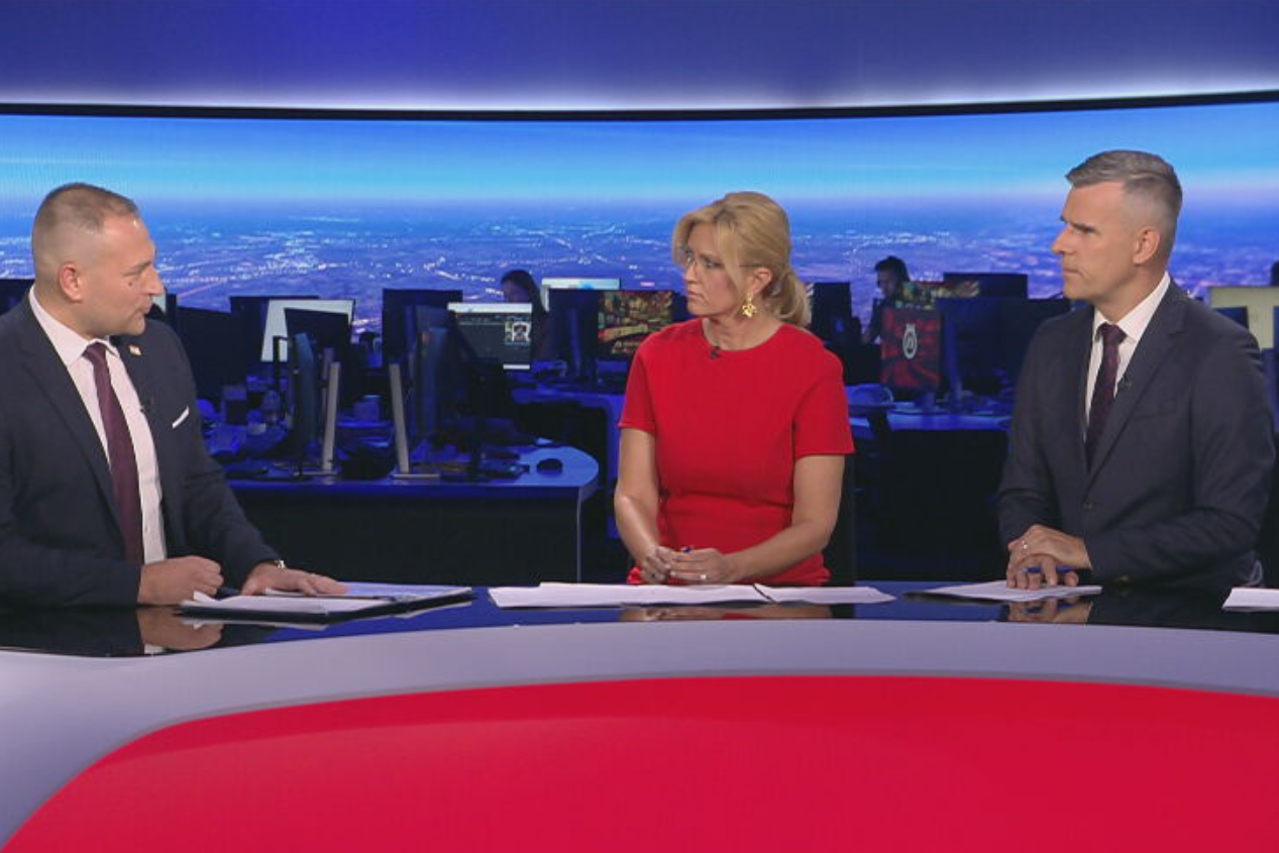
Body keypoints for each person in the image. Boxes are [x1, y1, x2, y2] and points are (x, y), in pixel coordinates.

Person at [0, 183, 346, 606]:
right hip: (50, 637)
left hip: (171, 631)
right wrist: (137, 585)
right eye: (136, 273)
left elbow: (196, 481)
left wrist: (256, 565)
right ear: (73, 281)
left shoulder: (159, 347)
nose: (156, 285)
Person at [999, 151, 1274, 590]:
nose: (1060, 244)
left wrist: (1088, 552)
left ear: (1143, 245)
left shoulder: (1219, 350)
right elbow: (1022, 491)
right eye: (1065, 225)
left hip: (1188, 612)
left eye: (1084, 230)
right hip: (1066, 606)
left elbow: (1230, 522)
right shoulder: (1051, 343)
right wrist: (1034, 552)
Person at [614, 191, 853, 586]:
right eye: (690, 258)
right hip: (668, 588)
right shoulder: (657, 355)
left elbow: (815, 525)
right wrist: (652, 556)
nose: (690, 275)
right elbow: (632, 494)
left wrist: (731, 568)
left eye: (710, 264)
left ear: (757, 280)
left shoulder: (813, 367)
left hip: (775, 593)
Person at [499, 268, 554, 362]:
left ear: (529, 292)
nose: (508, 300)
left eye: (514, 293)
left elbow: (544, 359)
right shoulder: (506, 323)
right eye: (505, 295)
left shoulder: (547, 324)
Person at [862, 255, 910, 344]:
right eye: (880, 282)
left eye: (888, 282)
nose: (883, 288)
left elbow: (867, 340)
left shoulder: (884, 308)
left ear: (902, 281)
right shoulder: (883, 306)